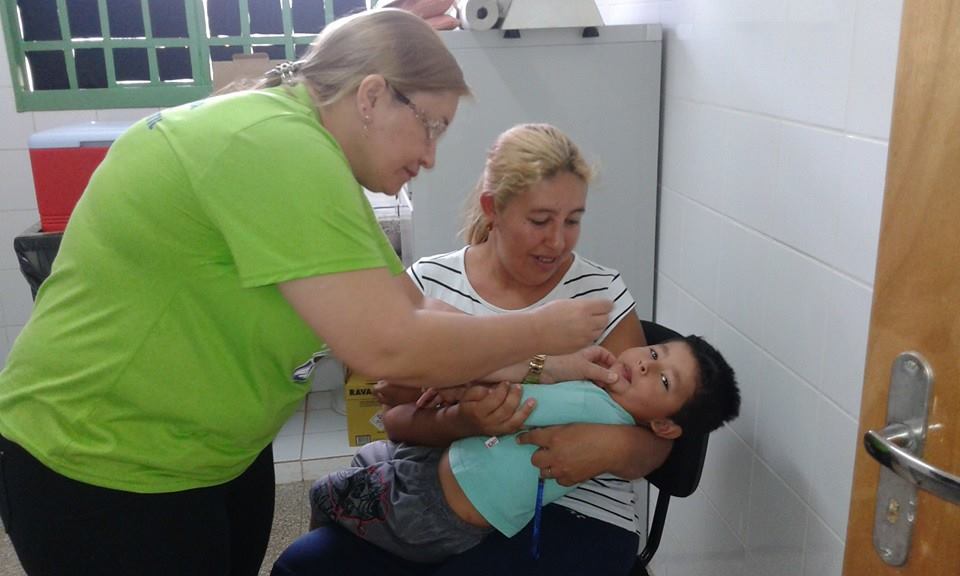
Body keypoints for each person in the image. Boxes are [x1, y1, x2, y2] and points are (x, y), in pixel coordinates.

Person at [0, 11, 614, 576]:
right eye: (430, 127)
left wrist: (549, 364)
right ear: (371, 96)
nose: (430, 156)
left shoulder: (301, 150)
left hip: (208, 453)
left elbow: (413, 308)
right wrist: (540, 329)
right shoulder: (273, 143)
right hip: (103, 461)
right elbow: (388, 345)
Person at [272, 124, 676, 575]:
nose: (558, 241)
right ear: (492, 209)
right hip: (445, 492)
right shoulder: (430, 283)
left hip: (579, 508)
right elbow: (397, 419)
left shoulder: (600, 291)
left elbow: (655, 446)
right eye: (539, 221)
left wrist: (606, 446)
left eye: (573, 220)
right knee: (300, 565)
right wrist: (461, 422)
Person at [307, 337, 740, 563]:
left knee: (325, 492)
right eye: (654, 352)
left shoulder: (593, 405)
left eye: (663, 380)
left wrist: (456, 382)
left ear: (664, 425)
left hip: (430, 506)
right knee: (369, 462)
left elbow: (509, 392)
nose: (645, 364)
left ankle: (340, 534)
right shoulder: (603, 403)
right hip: (446, 478)